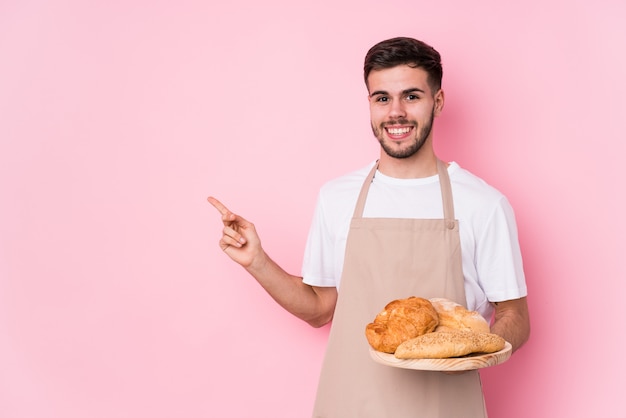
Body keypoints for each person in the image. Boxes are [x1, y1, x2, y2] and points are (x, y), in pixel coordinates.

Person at [208, 37, 530, 418]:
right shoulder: (337, 197)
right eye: (382, 98)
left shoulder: (483, 203)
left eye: (411, 96)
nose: (396, 112)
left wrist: (469, 346)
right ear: (370, 106)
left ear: (437, 102)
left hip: (446, 405)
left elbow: (516, 316)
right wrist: (257, 261)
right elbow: (318, 309)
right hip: (351, 403)